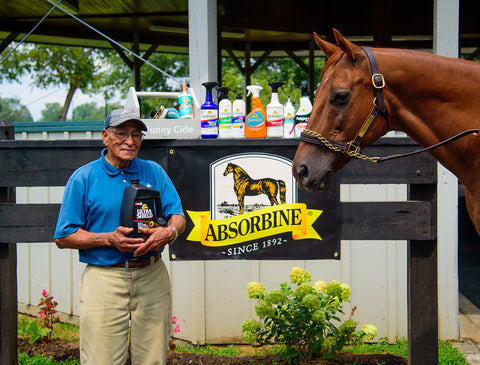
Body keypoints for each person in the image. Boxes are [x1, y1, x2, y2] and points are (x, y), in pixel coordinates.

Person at [54, 108, 186, 365]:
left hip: (152, 275)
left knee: (152, 359)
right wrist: (108, 239)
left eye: (136, 134)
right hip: (105, 279)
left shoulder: (154, 172)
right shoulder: (84, 178)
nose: (129, 140)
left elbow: (178, 216)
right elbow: (64, 236)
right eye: (121, 133)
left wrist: (168, 233)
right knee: (101, 359)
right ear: (105, 136)